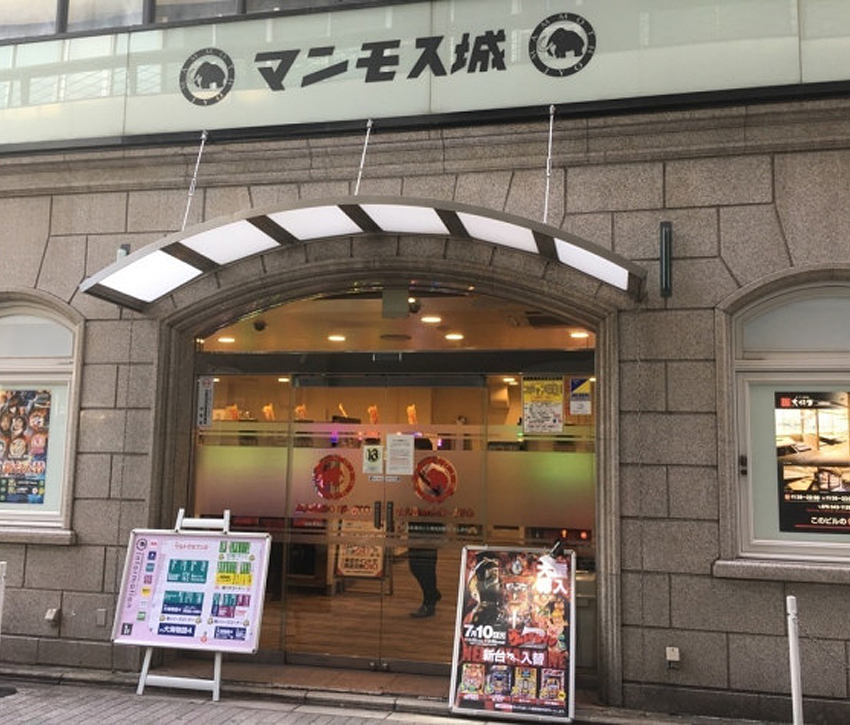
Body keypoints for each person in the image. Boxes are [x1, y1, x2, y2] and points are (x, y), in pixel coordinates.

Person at [409, 435, 440, 618]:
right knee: (415, 564)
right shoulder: (415, 471)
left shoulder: (435, 471)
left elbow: (443, 495)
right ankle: (432, 594)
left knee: (425, 564)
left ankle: (429, 602)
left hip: (430, 521)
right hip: (415, 520)